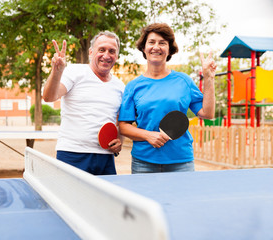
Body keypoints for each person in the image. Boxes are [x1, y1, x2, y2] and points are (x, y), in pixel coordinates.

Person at [118, 23, 216, 173]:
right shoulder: (133, 86)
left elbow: (207, 113)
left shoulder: (184, 81)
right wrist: (148, 135)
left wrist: (209, 78)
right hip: (143, 162)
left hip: (181, 162)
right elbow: (124, 126)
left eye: (162, 43)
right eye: (151, 42)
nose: (156, 47)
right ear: (144, 48)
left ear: (169, 49)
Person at [42, 31, 125, 175]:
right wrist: (56, 71)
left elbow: (120, 121)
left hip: (106, 157)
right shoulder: (73, 71)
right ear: (91, 52)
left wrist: (120, 141)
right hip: (72, 154)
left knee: (104, 198)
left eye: (112, 51)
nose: (106, 55)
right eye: (101, 50)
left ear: (116, 56)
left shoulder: (120, 86)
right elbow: (49, 97)